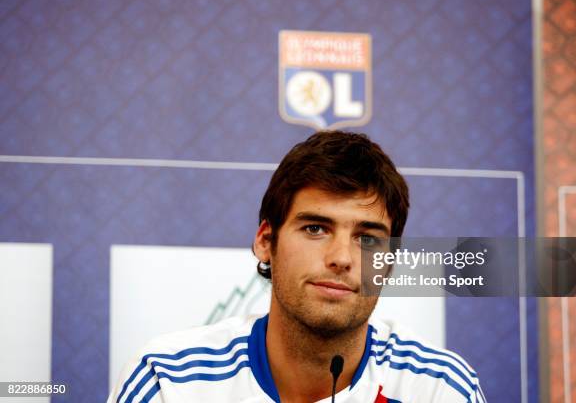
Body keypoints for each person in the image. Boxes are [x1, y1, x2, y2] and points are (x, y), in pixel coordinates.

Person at [108, 131, 485, 403]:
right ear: (265, 241)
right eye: (316, 229)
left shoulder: (440, 389)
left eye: (368, 238)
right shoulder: (167, 381)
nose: (342, 257)